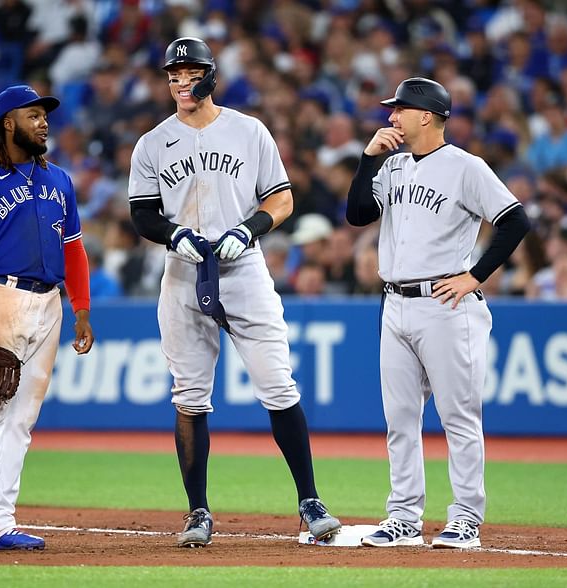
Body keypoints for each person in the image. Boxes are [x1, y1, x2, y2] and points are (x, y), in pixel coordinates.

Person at [128, 37, 341, 548]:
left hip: (241, 267)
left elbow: (282, 199)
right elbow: (142, 212)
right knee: (189, 395)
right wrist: (172, 233)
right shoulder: (153, 142)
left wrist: (250, 227)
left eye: (189, 72)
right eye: (173, 75)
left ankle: (310, 500)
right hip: (183, 270)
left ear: (210, 75)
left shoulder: (248, 131)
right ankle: (197, 511)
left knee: (278, 385)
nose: (180, 81)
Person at [346, 77, 530, 548]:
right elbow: (357, 213)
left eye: (399, 110)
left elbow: (514, 220)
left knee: (459, 418)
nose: (391, 118)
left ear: (425, 115)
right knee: (400, 419)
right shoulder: (393, 166)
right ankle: (404, 515)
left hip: (447, 306)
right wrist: (369, 160)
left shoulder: (465, 167)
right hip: (395, 304)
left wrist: (475, 275)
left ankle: (466, 516)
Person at [0, 85, 94, 552]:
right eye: (33, 115)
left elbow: (73, 250)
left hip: (49, 301)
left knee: (22, 418)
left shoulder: (60, 180)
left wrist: (81, 309)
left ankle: (0, 520)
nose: (44, 123)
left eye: (45, 115)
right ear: (8, 123)